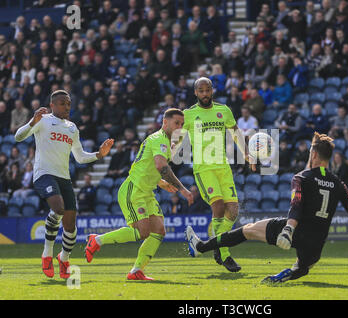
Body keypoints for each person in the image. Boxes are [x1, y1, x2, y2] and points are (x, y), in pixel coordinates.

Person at [186, 132, 348, 283]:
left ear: (313, 154)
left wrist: (288, 230)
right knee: (304, 267)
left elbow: (296, 206)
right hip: (317, 241)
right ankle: (286, 275)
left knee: (247, 230)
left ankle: (201, 247)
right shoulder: (338, 183)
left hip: (296, 229)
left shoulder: (301, 177)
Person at [14, 90, 114, 279]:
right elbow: (18, 137)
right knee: (58, 209)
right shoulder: (42, 120)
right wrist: (32, 122)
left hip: (64, 177)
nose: (66, 107)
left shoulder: (72, 128)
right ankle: (46, 255)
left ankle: (64, 258)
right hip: (44, 174)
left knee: (70, 225)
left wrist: (99, 155)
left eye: (68, 103)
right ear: (52, 105)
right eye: (62, 103)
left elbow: (79, 157)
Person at [85, 108, 194, 281]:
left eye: (181, 124)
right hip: (134, 190)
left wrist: (161, 182)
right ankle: (97, 240)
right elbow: (161, 166)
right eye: (176, 123)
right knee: (142, 232)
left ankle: (136, 270)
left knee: (159, 231)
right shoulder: (159, 139)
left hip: (147, 192)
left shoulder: (164, 141)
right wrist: (182, 189)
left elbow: (147, 165)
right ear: (165, 123)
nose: (179, 127)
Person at [177, 77, 256, 273]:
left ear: (212, 91)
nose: (204, 94)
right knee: (218, 206)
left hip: (223, 167)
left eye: (207, 90)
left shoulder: (224, 110)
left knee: (233, 210)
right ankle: (224, 253)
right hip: (204, 169)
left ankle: (214, 245)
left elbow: (236, 133)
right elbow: (176, 138)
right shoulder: (188, 114)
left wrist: (246, 153)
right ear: (195, 93)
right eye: (200, 91)